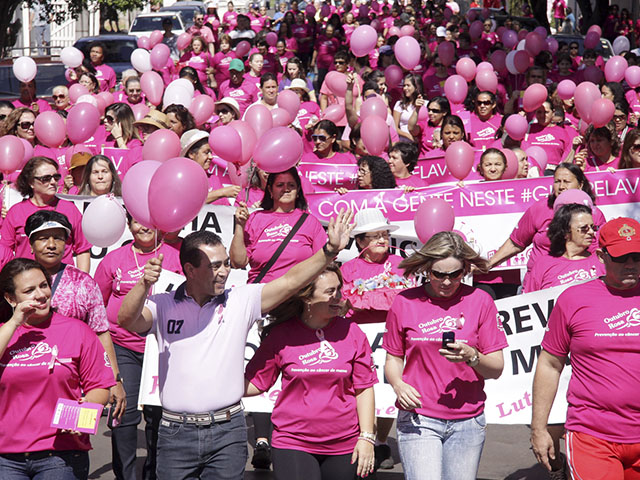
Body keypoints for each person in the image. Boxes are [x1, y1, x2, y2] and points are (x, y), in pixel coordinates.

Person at [116, 209, 354, 479]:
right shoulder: (163, 304)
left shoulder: (241, 300)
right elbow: (127, 320)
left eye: (226, 263)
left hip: (228, 432)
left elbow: (289, 282)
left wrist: (328, 251)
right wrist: (143, 284)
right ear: (190, 270)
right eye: (214, 266)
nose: (224, 272)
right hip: (175, 433)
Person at [384, 231, 507, 480]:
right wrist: (398, 384)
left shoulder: (480, 301)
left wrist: (473, 356)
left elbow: (496, 368)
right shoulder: (405, 302)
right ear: (426, 268)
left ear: (466, 270)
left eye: (455, 274)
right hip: (419, 418)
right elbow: (393, 358)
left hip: (467, 420)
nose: (447, 282)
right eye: (439, 274)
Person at [244, 263, 377, 480]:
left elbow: (364, 389)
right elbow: (257, 383)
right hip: (293, 442)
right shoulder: (281, 335)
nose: (338, 297)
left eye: (339, 289)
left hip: (344, 444)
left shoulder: (352, 332)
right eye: (329, 292)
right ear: (307, 297)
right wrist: (218, 387)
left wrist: (367, 438)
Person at [531, 217, 640, 478]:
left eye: (637, 256)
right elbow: (550, 364)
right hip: (592, 435)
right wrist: (539, 428)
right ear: (601, 256)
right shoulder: (573, 299)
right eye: (621, 257)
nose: (631, 265)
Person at [0, 258, 114, 479]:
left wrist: (85, 411)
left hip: (61, 456)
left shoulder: (77, 331)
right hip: (6, 458)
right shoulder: (5, 334)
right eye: (29, 290)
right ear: (10, 298)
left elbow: (100, 386)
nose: (41, 295)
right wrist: (14, 323)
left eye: (44, 285)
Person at [94, 214, 183, 480]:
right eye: (136, 221)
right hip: (123, 348)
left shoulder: (178, 256)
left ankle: (154, 473)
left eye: (149, 221)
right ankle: (126, 476)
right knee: (123, 414)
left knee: (159, 417)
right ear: (129, 224)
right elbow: (97, 305)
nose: (143, 227)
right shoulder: (113, 260)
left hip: (164, 348)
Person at [24, 210, 126, 418]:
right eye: (43, 238)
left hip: (76, 385)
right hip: (27, 379)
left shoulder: (83, 282)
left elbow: (101, 333)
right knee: (25, 439)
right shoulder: (15, 280)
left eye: (58, 238)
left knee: (74, 440)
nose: (51, 245)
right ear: (31, 243)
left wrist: (115, 379)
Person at [340, 208, 415, 470]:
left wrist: (369, 300)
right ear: (360, 241)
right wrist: (378, 298)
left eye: (384, 235)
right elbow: (348, 302)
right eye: (375, 236)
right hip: (359, 338)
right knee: (362, 387)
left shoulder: (401, 264)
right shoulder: (348, 268)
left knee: (387, 387)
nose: (382, 240)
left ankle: (381, 440)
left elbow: (405, 298)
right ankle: (362, 434)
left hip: (394, 336)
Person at [489, 163, 606, 276]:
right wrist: (488, 264)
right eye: (557, 182)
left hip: (581, 277)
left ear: (580, 185)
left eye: (567, 182)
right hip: (540, 280)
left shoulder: (594, 214)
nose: (561, 187)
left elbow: (601, 251)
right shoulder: (539, 208)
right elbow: (516, 243)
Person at [0, 156, 91, 272]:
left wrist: (81, 281)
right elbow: (5, 251)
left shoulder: (70, 209)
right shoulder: (16, 212)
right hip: (27, 281)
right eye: (46, 178)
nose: (53, 182)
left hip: (62, 282)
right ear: (31, 182)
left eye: (56, 177)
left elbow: (82, 249)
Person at [524, 203, 605, 293]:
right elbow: (528, 299)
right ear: (565, 232)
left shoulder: (602, 261)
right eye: (584, 228)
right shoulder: (543, 264)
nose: (591, 232)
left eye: (593, 227)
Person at [179, 129, 241, 204]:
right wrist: (221, 193)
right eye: (206, 152)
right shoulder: (181, 179)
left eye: (211, 152)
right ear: (191, 154)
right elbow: (188, 204)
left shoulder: (214, 179)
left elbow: (224, 209)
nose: (211, 157)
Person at [393, 74, 423, 142]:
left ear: (416, 87)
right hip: (404, 142)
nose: (405, 88)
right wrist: (408, 136)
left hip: (420, 143)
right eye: (404, 85)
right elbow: (395, 128)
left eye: (408, 85)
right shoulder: (399, 104)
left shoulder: (426, 104)